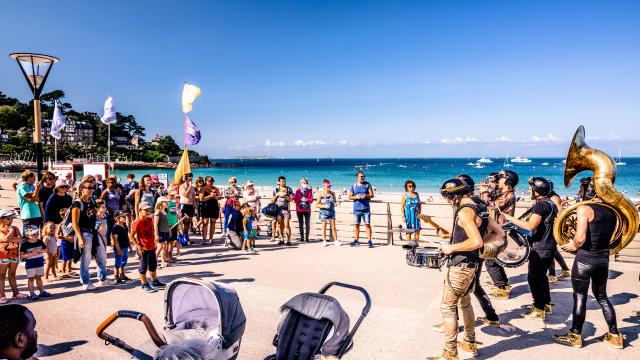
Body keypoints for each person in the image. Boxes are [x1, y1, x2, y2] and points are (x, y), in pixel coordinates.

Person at [428, 178, 504, 360]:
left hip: (460, 267)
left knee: (448, 308)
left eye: (448, 197)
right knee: (466, 303)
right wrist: (472, 245)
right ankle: (470, 344)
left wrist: (451, 247)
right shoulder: (481, 207)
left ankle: (450, 353)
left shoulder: (464, 212)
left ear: (455, 196)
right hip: (473, 265)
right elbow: (499, 233)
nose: (447, 201)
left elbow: (476, 241)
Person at [552, 178, 624, 349]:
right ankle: (615, 336)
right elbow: (616, 237)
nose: (578, 193)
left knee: (579, 297)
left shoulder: (584, 208)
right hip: (602, 259)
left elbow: (580, 238)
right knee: (602, 297)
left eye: (581, 189)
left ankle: (575, 335)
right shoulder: (613, 212)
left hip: (585, 259)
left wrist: (573, 245)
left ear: (588, 190)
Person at [502, 177, 557, 320]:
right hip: (549, 245)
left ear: (536, 190)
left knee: (533, 278)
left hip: (540, 247)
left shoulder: (541, 205)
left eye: (531, 188)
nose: (528, 190)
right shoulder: (551, 203)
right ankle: (546, 304)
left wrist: (509, 218)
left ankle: (538, 308)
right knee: (542, 277)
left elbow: (530, 226)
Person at [72, 180, 115, 290]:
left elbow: (92, 215)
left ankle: (103, 279)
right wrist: (80, 238)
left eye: (92, 188)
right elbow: (74, 223)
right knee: (86, 258)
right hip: (84, 232)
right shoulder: (77, 203)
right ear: (82, 189)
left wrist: (98, 216)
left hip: (93, 231)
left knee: (102, 255)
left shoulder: (91, 200)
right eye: (88, 188)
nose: (91, 190)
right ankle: (85, 282)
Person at [483, 170, 517, 299]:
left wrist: (484, 192)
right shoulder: (505, 193)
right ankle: (504, 283)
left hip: (497, 231)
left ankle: (501, 288)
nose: (499, 180)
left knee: (490, 260)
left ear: (508, 181)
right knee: (495, 259)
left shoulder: (508, 196)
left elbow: (492, 206)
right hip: (496, 229)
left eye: (501, 178)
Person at [130, 202, 165, 293]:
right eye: (145, 210)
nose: (148, 211)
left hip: (152, 247)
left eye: (149, 209)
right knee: (143, 267)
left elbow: (151, 231)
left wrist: (155, 241)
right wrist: (138, 246)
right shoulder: (138, 222)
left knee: (153, 266)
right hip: (144, 248)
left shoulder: (150, 219)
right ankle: (144, 284)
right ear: (140, 211)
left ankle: (155, 281)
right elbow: (131, 236)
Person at [546, 179, 571, 283]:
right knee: (554, 251)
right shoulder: (548, 197)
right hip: (549, 226)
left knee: (551, 250)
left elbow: (560, 212)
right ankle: (565, 270)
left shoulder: (554, 198)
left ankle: (552, 275)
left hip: (553, 227)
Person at [0, 210, 27, 303]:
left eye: (11, 218)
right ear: (1, 220)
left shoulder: (15, 228)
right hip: (3, 256)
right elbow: (5, 238)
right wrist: (11, 231)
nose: (11, 220)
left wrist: (12, 238)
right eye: (8, 218)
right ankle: (2, 295)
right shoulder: (1, 229)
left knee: (12, 274)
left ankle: (16, 293)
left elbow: (21, 239)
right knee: (1, 276)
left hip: (14, 254)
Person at [19, 226, 51, 301]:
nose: (36, 235)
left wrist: (41, 251)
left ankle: (42, 292)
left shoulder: (40, 241)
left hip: (39, 262)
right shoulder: (24, 244)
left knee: (39, 277)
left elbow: (46, 249)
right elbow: (21, 255)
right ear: (27, 235)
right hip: (30, 264)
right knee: (31, 279)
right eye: (33, 234)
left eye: (36, 233)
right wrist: (32, 254)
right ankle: (32, 294)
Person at [348, 171, 374, 248]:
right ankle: (356, 240)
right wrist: (356, 197)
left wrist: (365, 195)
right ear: (357, 177)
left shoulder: (367, 185)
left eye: (363, 176)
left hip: (366, 209)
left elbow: (372, 195)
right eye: (361, 176)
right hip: (356, 209)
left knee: (367, 225)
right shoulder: (353, 186)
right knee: (356, 225)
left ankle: (369, 241)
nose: (363, 178)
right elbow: (350, 197)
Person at [271, 176, 294, 246]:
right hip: (278, 210)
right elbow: (272, 200)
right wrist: (277, 195)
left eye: (284, 181)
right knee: (280, 225)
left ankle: (289, 240)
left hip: (286, 210)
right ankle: (281, 239)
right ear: (279, 182)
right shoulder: (276, 190)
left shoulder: (289, 189)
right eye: (282, 181)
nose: (284, 182)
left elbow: (291, 200)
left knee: (287, 225)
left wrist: (285, 196)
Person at [317, 179, 340, 247]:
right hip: (323, 213)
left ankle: (336, 240)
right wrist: (323, 206)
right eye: (327, 186)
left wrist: (336, 204)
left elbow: (335, 202)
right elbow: (317, 204)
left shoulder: (332, 193)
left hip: (331, 212)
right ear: (324, 186)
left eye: (329, 186)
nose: (328, 187)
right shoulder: (320, 194)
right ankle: (324, 241)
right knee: (324, 227)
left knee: (333, 227)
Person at [111, 210, 132, 284]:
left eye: (125, 216)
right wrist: (119, 249)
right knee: (118, 262)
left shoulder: (125, 226)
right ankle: (116, 277)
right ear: (117, 218)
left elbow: (127, 236)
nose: (125, 218)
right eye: (122, 217)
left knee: (124, 261)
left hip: (125, 247)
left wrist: (130, 246)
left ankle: (122, 274)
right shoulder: (115, 228)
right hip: (119, 248)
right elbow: (115, 240)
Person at [100, 176, 121, 247]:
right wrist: (107, 209)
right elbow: (101, 202)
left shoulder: (116, 191)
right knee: (109, 227)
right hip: (109, 212)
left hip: (117, 212)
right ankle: (108, 242)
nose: (113, 184)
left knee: (116, 227)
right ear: (107, 183)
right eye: (111, 182)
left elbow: (118, 200)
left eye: (114, 182)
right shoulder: (105, 192)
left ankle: (115, 240)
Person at [200, 176, 221, 244]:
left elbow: (220, 197)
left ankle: (211, 239)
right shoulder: (203, 188)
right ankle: (204, 240)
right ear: (206, 181)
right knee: (205, 223)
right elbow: (201, 199)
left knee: (213, 222)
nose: (211, 183)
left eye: (212, 181)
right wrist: (210, 196)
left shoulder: (215, 188)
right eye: (209, 181)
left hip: (214, 206)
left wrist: (216, 196)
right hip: (205, 206)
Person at [293, 178, 313, 243]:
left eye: (306, 183)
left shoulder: (309, 190)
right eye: (303, 183)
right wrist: (301, 200)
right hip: (299, 209)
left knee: (307, 224)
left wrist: (306, 199)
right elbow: (295, 200)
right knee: (300, 223)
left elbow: (311, 200)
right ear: (300, 183)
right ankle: (302, 237)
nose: (304, 184)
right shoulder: (298, 190)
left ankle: (307, 238)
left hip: (307, 209)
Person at [154, 197, 171, 267]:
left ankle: (163, 261)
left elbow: (166, 222)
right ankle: (153, 261)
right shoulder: (158, 212)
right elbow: (155, 224)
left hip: (165, 231)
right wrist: (156, 234)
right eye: (165, 202)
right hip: (160, 232)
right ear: (160, 203)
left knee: (165, 246)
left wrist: (169, 230)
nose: (167, 203)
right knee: (160, 246)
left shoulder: (165, 211)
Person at [179, 173, 196, 238]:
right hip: (184, 205)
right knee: (184, 221)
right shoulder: (182, 186)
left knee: (189, 221)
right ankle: (182, 236)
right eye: (189, 179)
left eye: (191, 179)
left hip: (190, 205)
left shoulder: (192, 187)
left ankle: (186, 235)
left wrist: (195, 206)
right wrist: (189, 186)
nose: (190, 180)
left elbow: (193, 197)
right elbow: (185, 194)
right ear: (186, 179)